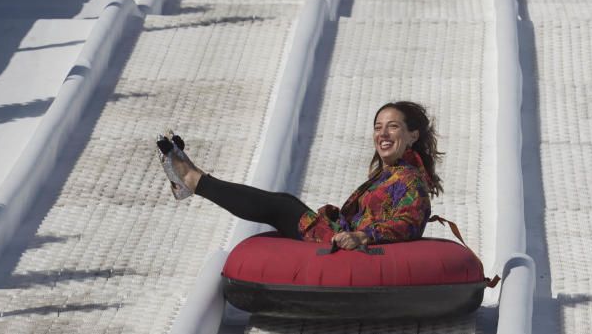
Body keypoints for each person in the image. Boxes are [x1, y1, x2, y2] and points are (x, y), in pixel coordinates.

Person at [157, 102, 443, 250]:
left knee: (282, 206)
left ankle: (193, 181)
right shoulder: (392, 174)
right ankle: (192, 181)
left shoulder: (410, 180)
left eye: (392, 127)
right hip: (343, 237)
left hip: (349, 244)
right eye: (378, 127)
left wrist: (361, 236)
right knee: (283, 205)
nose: (382, 134)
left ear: (412, 135)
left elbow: (408, 224)